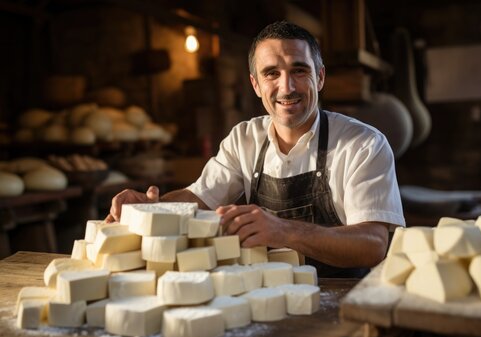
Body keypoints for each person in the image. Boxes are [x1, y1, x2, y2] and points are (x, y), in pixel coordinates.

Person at [106, 20, 405, 277]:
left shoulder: (364, 143)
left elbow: (373, 244)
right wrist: (150, 209)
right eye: (271, 73)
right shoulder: (244, 138)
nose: (286, 87)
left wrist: (284, 230)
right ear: (255, 85)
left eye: (299, 70)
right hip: (263, 297)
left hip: (343, 304)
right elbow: (199, 198)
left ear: (321, 77)